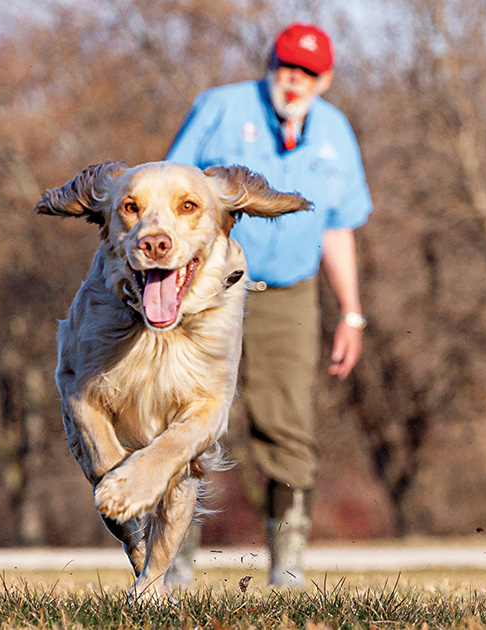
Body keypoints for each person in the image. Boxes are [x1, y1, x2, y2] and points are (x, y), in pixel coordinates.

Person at [164, 22, 372, 587]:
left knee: (287, 425)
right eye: (286, 66)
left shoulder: (335, 132)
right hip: (210, 291)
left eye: (307, 72)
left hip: (292, 296)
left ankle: (289, 566)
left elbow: (338, 228)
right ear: (270, 64)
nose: (294, 79)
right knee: (194, 418)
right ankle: (174, 563)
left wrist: (351, 313)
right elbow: (169, 190)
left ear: (324, 79)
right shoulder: (220, 108)